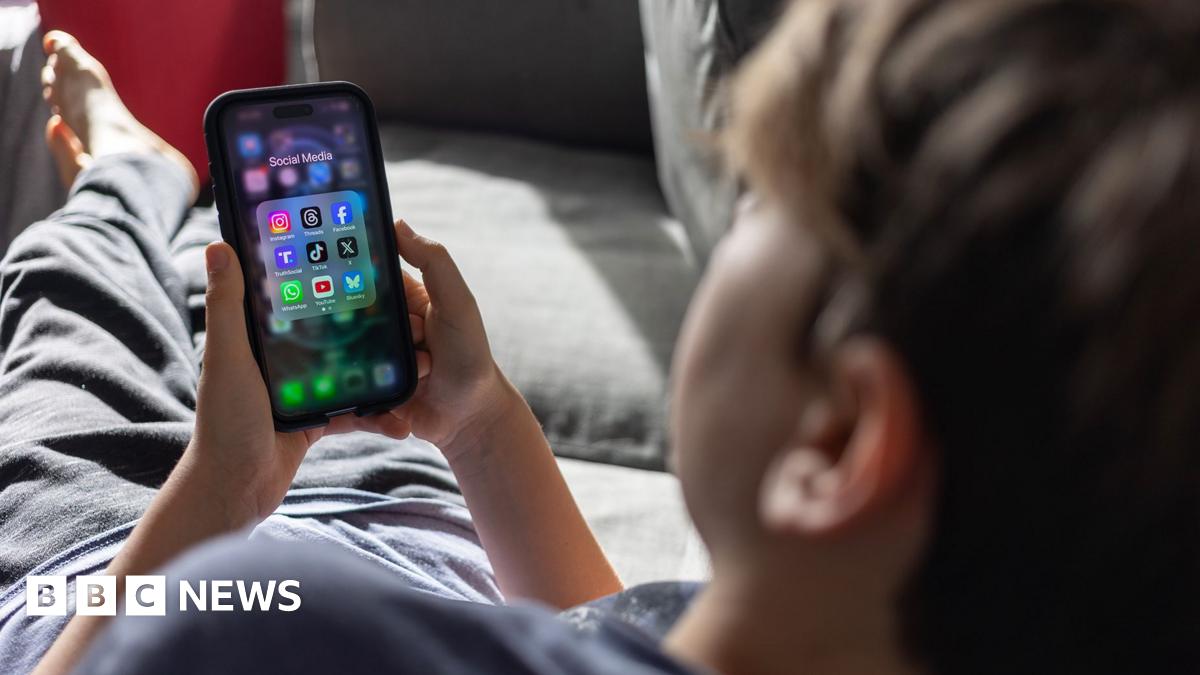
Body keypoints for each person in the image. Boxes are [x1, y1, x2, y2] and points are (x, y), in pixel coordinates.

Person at [3, 0, 1199, 672]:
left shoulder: (292, 625)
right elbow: (590, 637)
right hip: (400, 518)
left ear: (840, 439)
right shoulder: (762, 629)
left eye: (762, 209)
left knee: (78, 312)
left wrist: (219, 498)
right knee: (247, 318)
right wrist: (480, 425)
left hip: (126, 576)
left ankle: (122, 183)